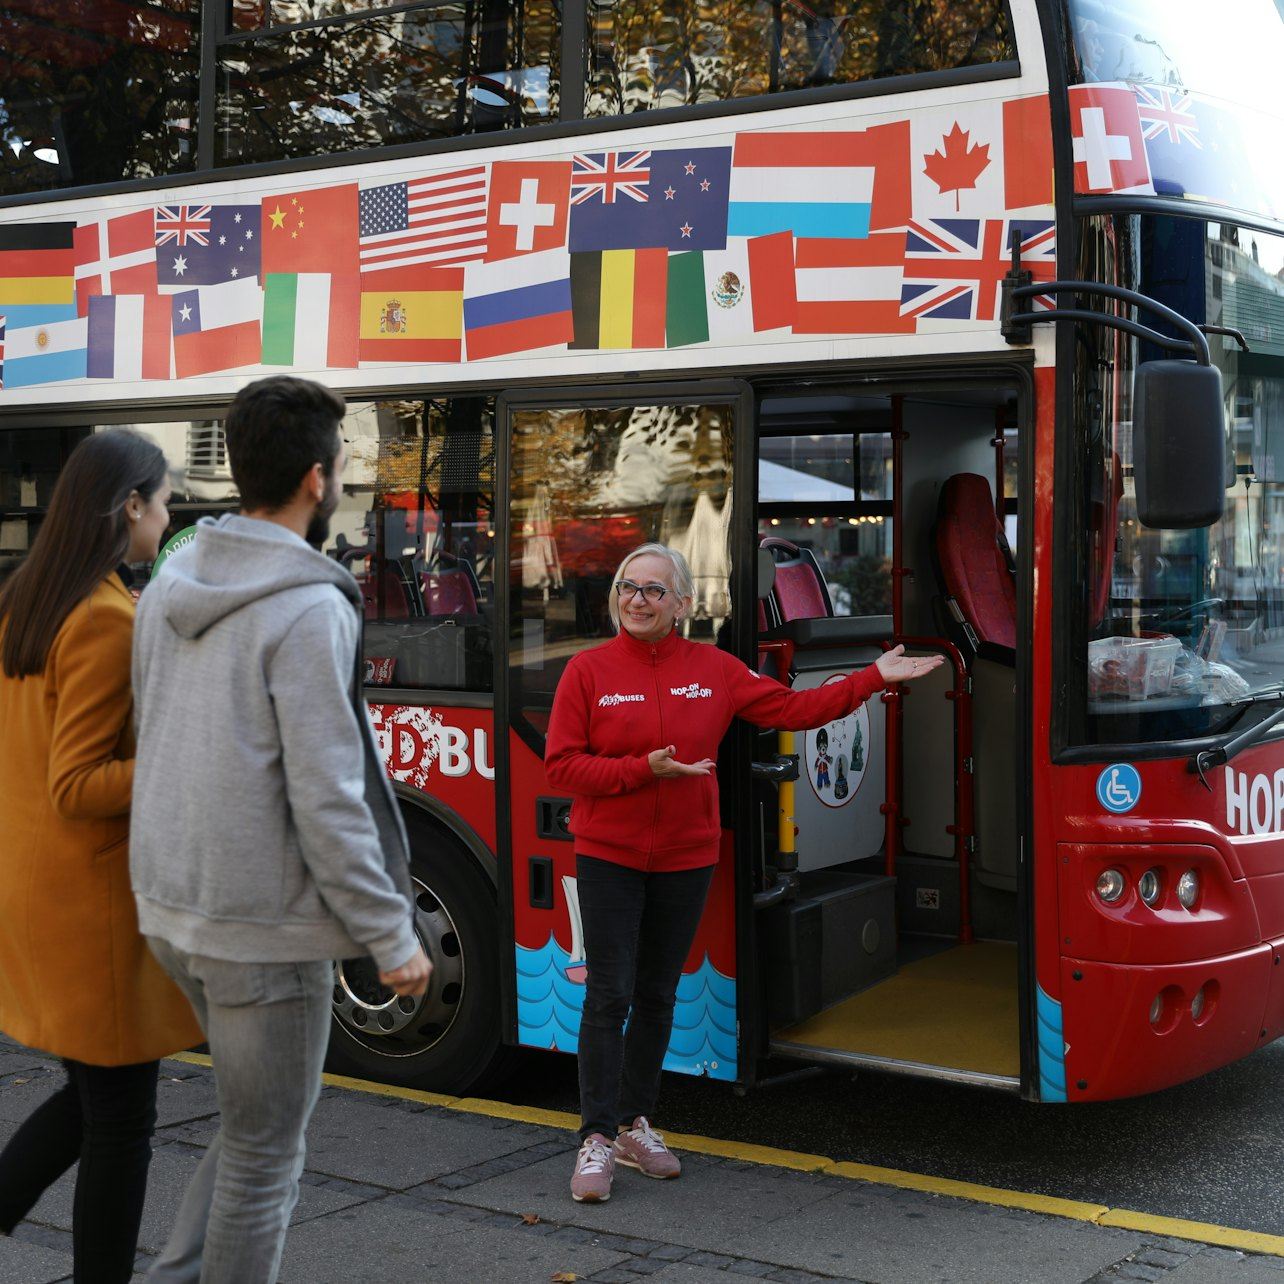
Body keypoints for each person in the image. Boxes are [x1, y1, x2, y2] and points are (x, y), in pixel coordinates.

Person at [129, 376, 431, 1283]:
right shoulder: (306, 606)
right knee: (266, 1159)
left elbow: (153, 731)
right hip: (262, 929)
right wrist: (389, 933)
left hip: (173, 907)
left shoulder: (171, 578)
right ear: (315, 478)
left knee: (251, 1132)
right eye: (341, 465)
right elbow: (328, 791)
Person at [544, 541, 943, 1203]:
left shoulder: (715, 669)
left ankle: (634, 1124)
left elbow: (796, 710)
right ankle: (595, 1134)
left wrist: (874, 678)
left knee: (657, 994)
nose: (638, 600)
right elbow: (562, 768)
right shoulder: (587, 671)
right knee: (609, 993)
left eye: (653, 590)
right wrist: (645, 770)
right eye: (627, 589)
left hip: (687, 856)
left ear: (683, 604)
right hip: (609, 855)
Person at [0, 429, 202, 1283]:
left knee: (93, 1102)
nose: (167, 518)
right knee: (121, 1120)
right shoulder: (107, 620)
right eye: (162, 503)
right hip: (96, 907)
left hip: (40, 892)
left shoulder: (28, 601)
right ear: (130, 506)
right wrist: (185, 753)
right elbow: (78, 784)